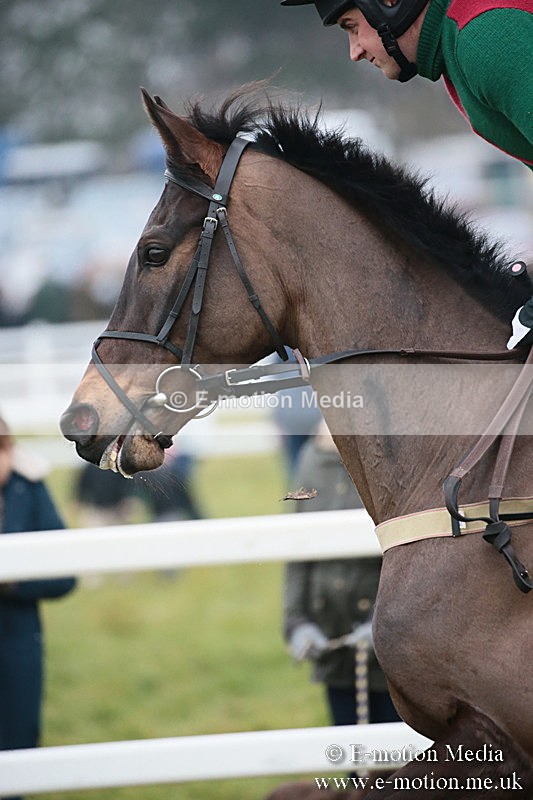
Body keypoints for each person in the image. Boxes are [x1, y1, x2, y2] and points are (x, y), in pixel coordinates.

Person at [280, 0, 533, 346]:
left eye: (352, 27)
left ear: (390, 4)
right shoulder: (461, 40)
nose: (354, 51)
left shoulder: (481, 38)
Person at [283, 422, 400, 728]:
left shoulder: (390, 455)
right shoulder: (310, 458)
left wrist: (385, 620)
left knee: (398, 746)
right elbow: (296, 547)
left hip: (391, 644)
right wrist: (296, 622)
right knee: (350, 742)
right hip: (332, 637)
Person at [0, 416, 76, 800]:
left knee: (16, 750)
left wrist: (12, 580)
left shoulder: (28, 487)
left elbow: (64, 575)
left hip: (14, 642)